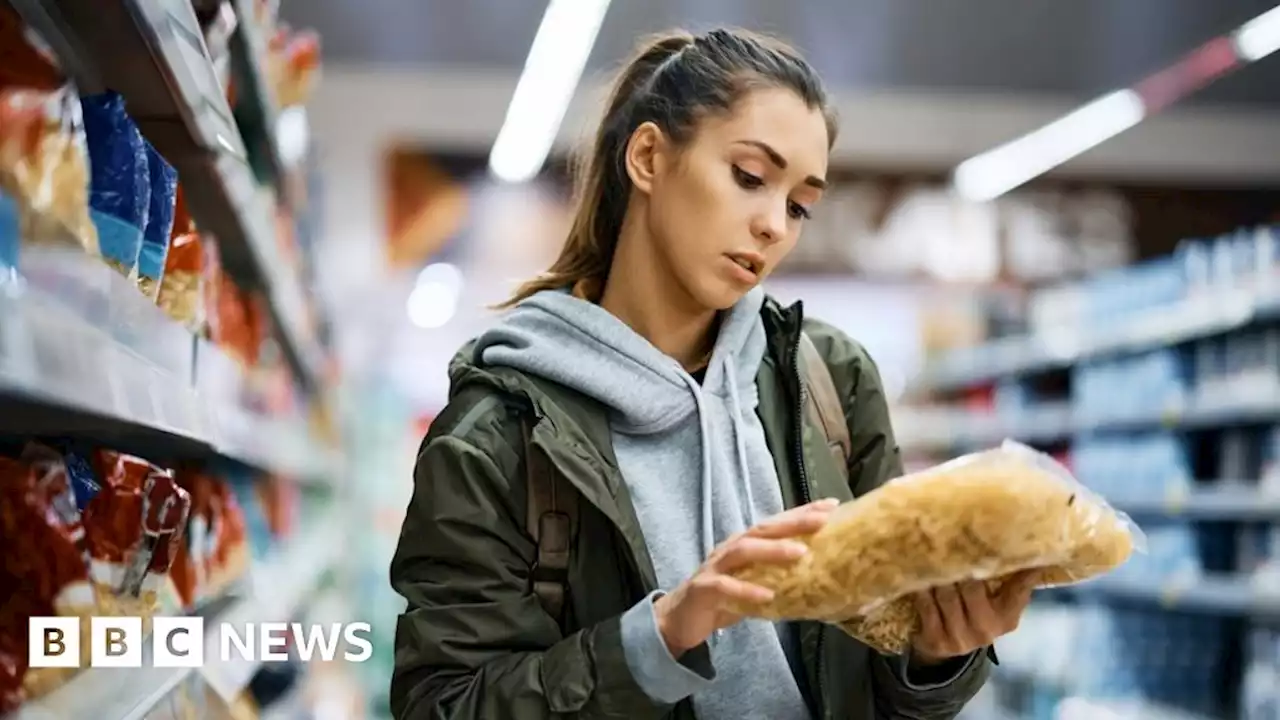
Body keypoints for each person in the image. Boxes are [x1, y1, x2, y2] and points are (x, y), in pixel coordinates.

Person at [390, 27, 1036, 720]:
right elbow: (442, 704)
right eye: (750, 178)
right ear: (647, 157)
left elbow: (880, 685)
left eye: (798, 205)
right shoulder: (496, 432)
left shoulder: (830, 382)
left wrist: (937, 659)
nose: (773, 227)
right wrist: (661, 637)